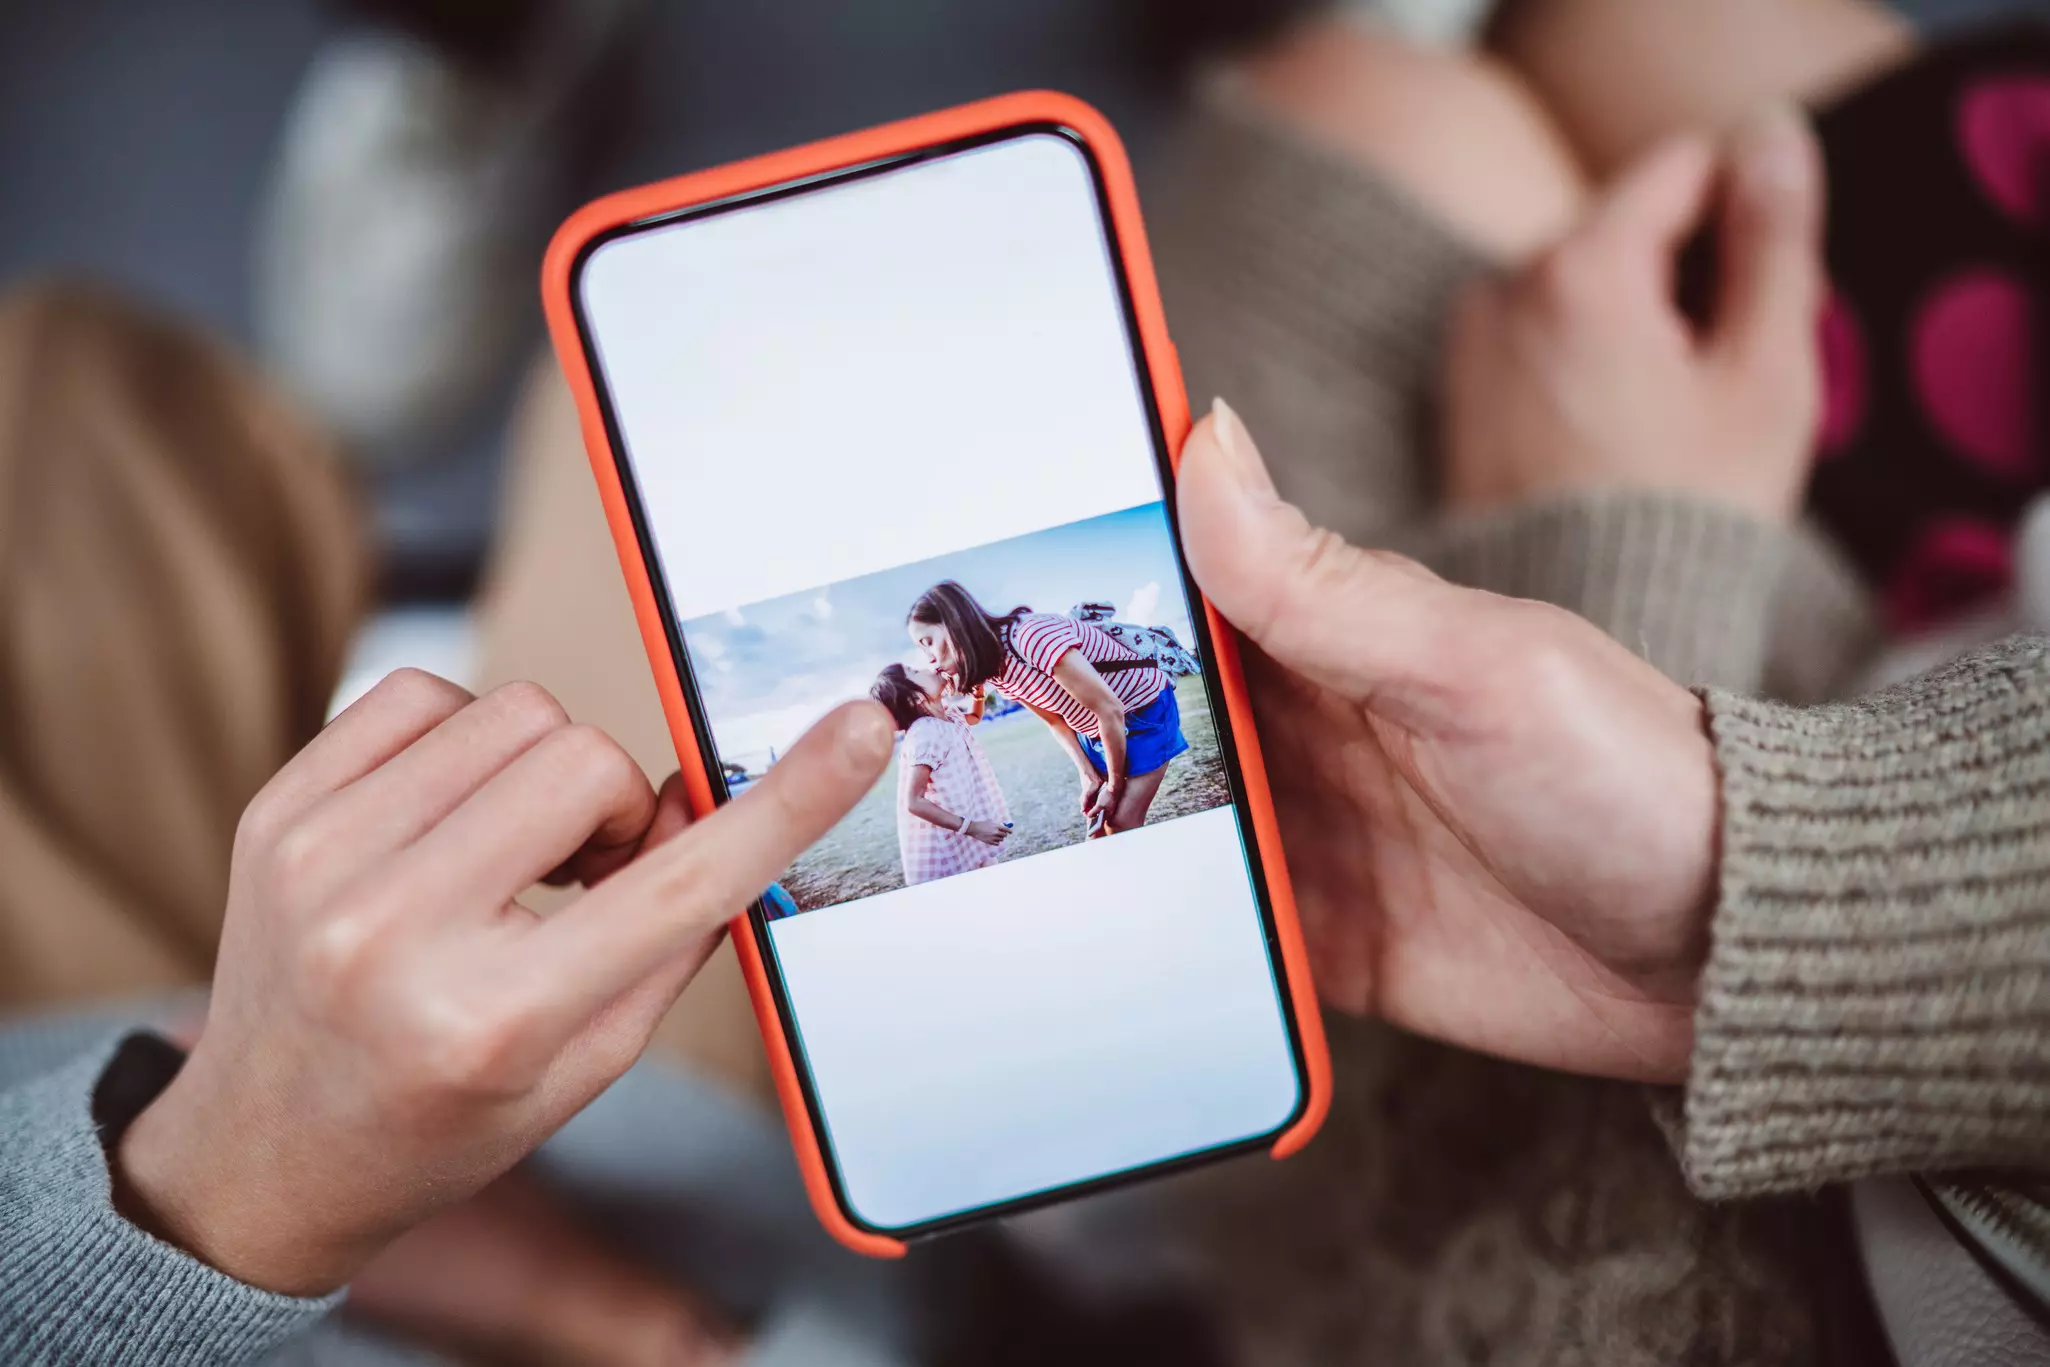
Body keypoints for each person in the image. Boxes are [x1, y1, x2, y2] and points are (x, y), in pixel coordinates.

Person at [906, 582, 1186, 838]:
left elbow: (1109, 709)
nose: (929, 659)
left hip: (1141, 712)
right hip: (1095, 729)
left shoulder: (1030, 636)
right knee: (1099, 830)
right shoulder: (997, 672)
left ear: (953, 623)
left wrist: (1112, 787)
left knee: (1121, 824)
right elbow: (1055, 722)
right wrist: (1087, 774)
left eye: (928, 642)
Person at [869, 663, 1012, 887]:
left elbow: (974, 717)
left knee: (989, 878)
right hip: (949, 837)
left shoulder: (949, 714)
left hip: (965, 819)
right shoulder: (925, 733)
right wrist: (973, 828)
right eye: (916, 672)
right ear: (914, 698)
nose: (928, 669)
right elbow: (914, 801)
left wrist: (978, 693)